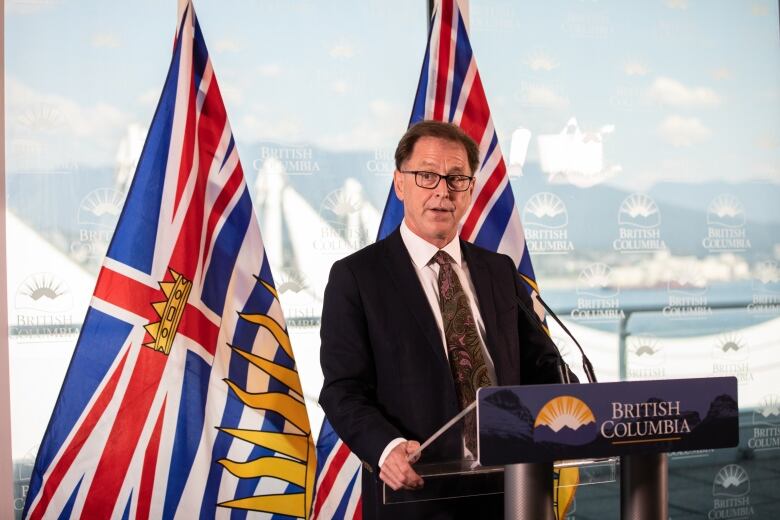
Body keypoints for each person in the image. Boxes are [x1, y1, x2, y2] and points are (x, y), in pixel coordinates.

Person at [319, 121, 569, 519]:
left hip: (513, 487)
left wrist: (576, 405)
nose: (442, 190)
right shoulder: (357, 277)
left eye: (456, 178)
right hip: (420, 492)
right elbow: (342, 390)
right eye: (427, 175)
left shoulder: (499, 270)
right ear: (400, 183)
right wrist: (386, 448)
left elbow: (543, 364)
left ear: (470, 190)